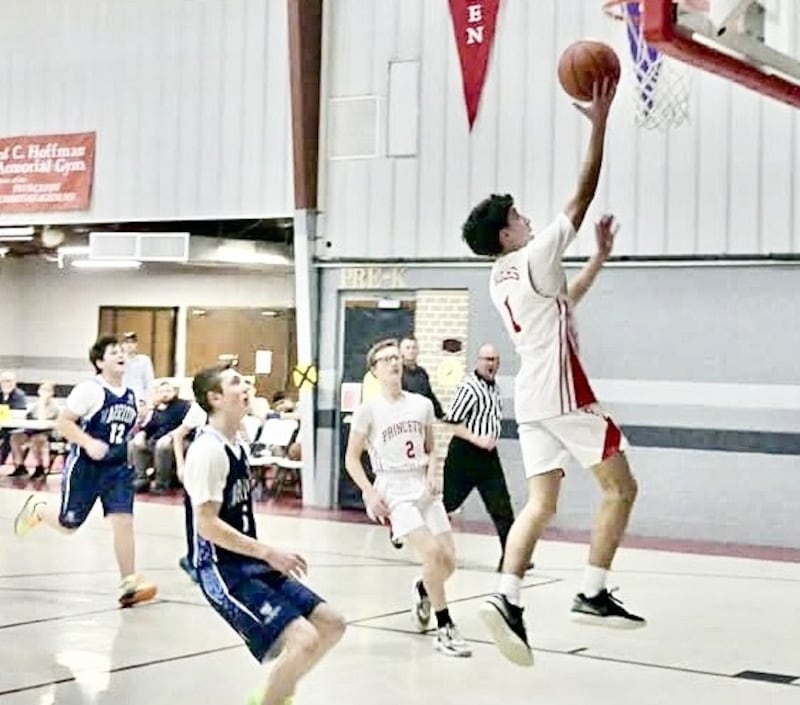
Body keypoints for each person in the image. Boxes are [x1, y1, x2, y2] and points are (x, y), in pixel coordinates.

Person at [463, 77, 644, 669]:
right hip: (563, 394)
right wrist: (598, 123)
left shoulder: (502, 277)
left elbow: (568, 302)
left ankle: (508, 597)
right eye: (518, 215)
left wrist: (597, 258)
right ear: (507, 234)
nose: (527, 217)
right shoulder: (534, 254)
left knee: (540, 503)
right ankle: (592, 590)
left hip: (530, 397)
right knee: (622, 488)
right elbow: (582, 194)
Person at [182, 365, 345, 705]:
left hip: (250, 562)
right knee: (303, 640)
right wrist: (269, 552)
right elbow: (206, 525)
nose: (246, 387)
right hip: (222, 570)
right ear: (214, 398)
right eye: (235, 383)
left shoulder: (237, 442)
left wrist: (262, 556)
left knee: (332, 624)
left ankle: (274, 695)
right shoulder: (208, 450)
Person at [344, 338, 471, 658]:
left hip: (422, 485)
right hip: (393, 488)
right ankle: (445, 628)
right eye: (385, 359)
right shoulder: (368, 410)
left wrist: (432, 473)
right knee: (430, 553)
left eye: (395, 357)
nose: (393, 362)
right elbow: (351, 458)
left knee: (448, 562)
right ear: (374, 371)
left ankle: (423, 589)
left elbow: (430, 448)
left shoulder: (421, 404)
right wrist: (370, 492)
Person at [13, 335, 157, 607]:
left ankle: (129, 583)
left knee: (123, 520)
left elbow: (123, 429)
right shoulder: (89, 390)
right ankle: (38, 510)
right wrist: (88, 442)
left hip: (117, 468)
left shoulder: (131, 395)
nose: (120, 354)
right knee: (69, 525)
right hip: (86, 468)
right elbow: (64, 423)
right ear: (100, 362)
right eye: (113, 351)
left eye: (121, 351)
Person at [441, 344, 517, 572]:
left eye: (494, 359)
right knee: (447, 503)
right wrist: (477, 439)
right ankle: (407, 528)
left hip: (488, 457)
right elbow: (451, 422)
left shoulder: (495, 389)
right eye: (486, 359)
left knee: (502, 507)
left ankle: (511, 558)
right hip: (464, 454)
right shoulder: (469, 387)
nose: (490, 364)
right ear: (478, 361)